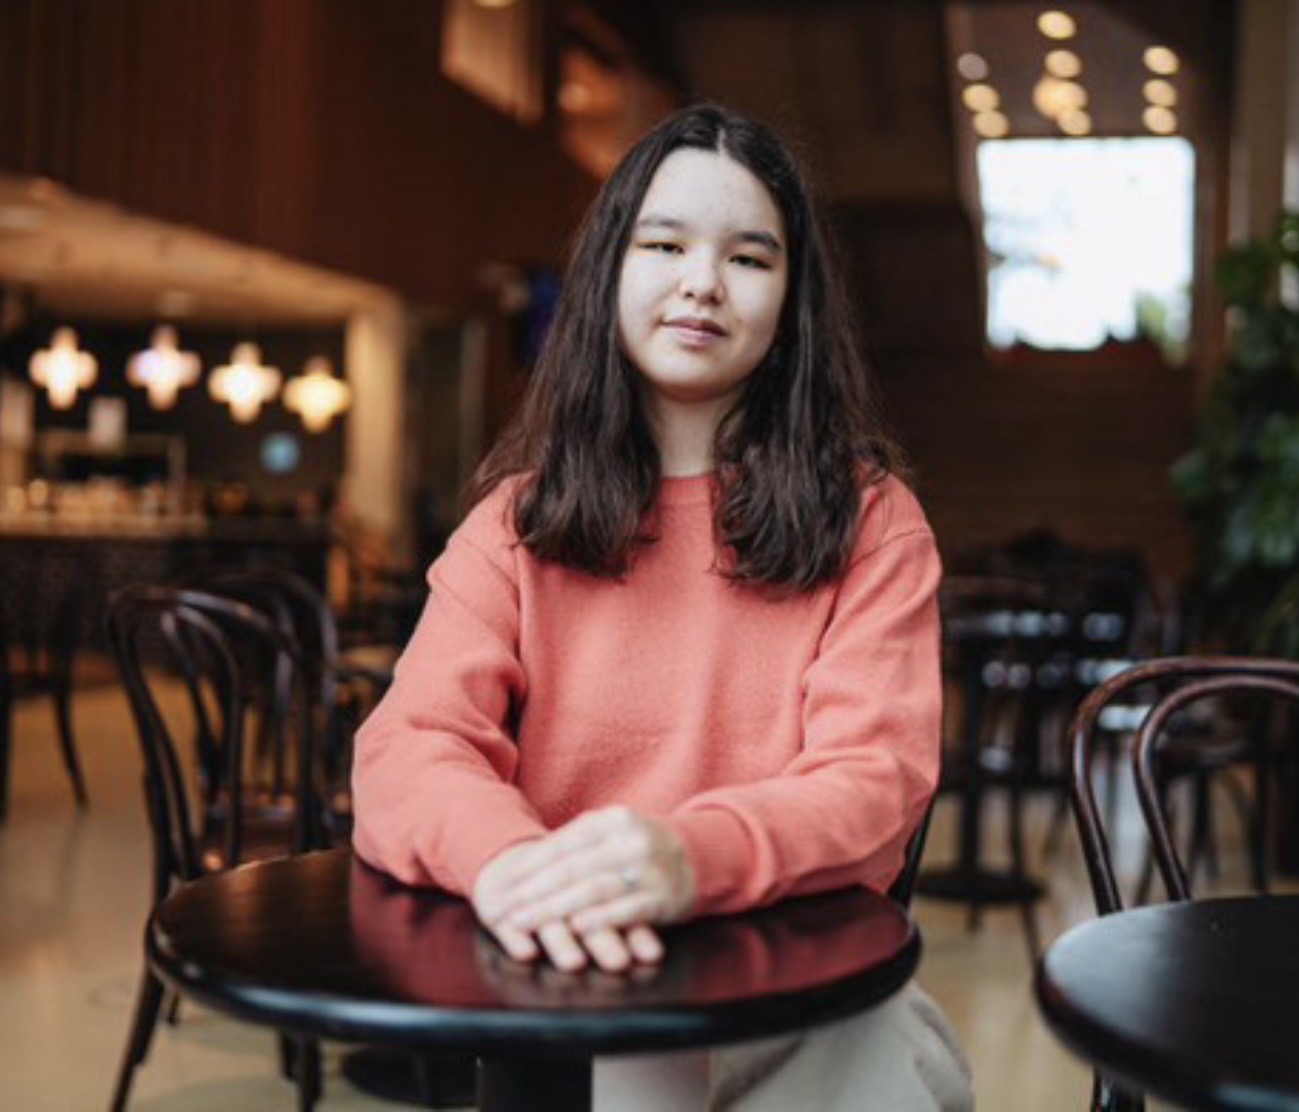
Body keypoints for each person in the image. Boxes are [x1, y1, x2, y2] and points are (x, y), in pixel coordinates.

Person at [351, 103, 971, 1110]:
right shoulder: (516, 521)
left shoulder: (871, 521)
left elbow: (873, 782)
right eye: (665, 243)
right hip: (564, 987)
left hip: (791, 1000)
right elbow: (406, 747)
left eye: (749, 257)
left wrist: (684, 857)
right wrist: (506, 864)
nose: (700, 282)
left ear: (789, 304)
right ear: (609, 275)